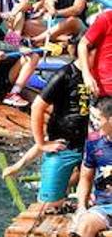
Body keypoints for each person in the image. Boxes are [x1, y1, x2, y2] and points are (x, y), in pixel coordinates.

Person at [29, 62, 92, 208]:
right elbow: (37, 106)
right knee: (49, 205)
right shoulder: (65, 74)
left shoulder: (103, 70)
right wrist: (41, 144)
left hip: (93, 144)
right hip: (65, 144)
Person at [71, 97, 112, 237]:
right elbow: (85, 177)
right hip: (104, 206)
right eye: (92, 118)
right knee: (84, 224)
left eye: (98, 118)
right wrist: (81, 206)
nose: (93, 123)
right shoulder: (94, 143)